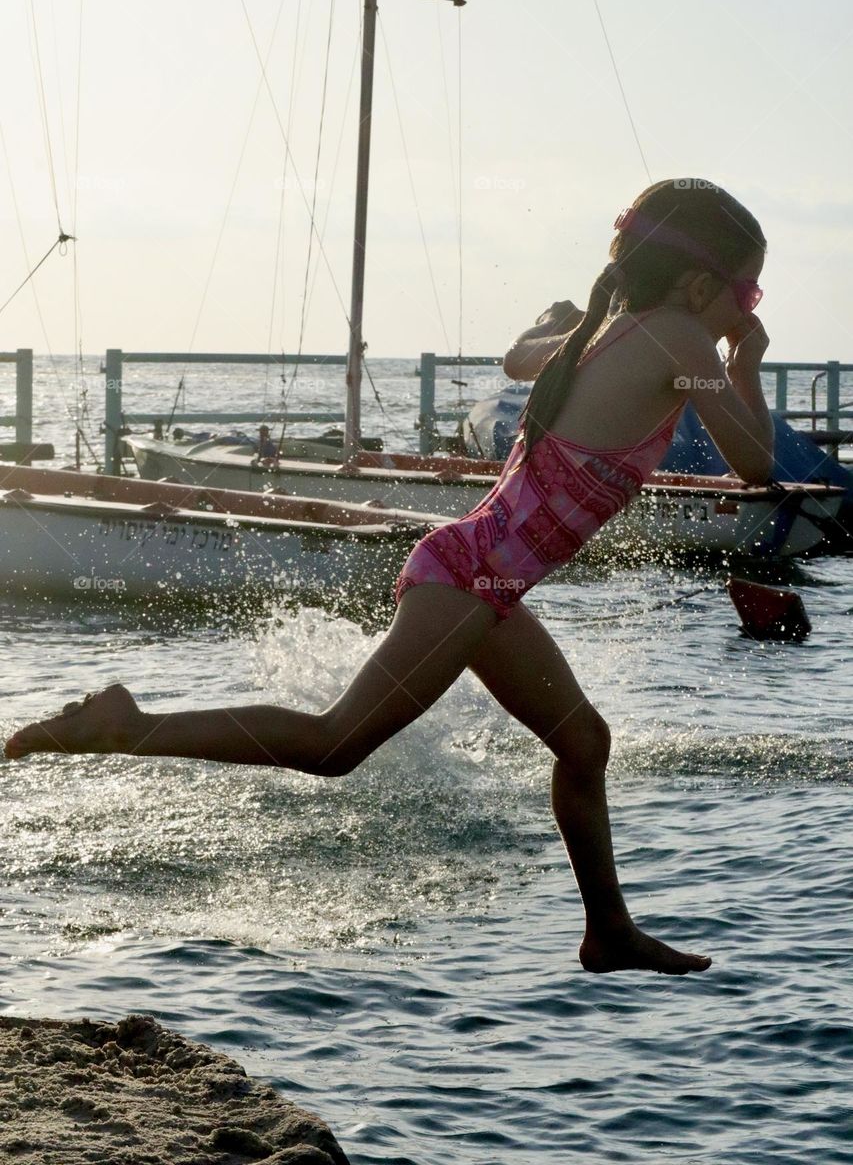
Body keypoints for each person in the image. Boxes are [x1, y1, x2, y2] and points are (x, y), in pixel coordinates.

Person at [4, 179, 773, 976]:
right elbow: (752, 461)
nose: (748, 309)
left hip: (483, 581)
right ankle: (129, 725)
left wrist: (563, 323)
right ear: (698, 286)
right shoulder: (684, 341)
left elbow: (519, 357)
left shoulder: (613, 334)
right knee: (334, 745)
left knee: (583, 742)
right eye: (746, 290)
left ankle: (607, 931)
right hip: (473, 577)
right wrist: (743, 365)